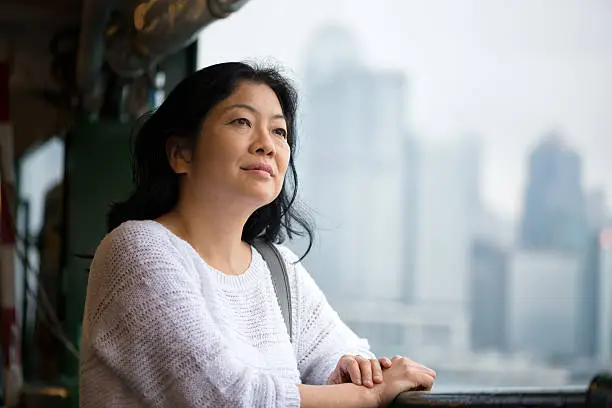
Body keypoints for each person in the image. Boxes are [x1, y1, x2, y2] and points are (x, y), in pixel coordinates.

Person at [79, 62, 436, 408]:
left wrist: (353, 371)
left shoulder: (277, 267)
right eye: (242, 122)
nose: (267, 144)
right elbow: (227, 398)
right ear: (181, 153)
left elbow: (348, 353)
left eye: (279, 131)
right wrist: (369, 396)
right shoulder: (137, 250)